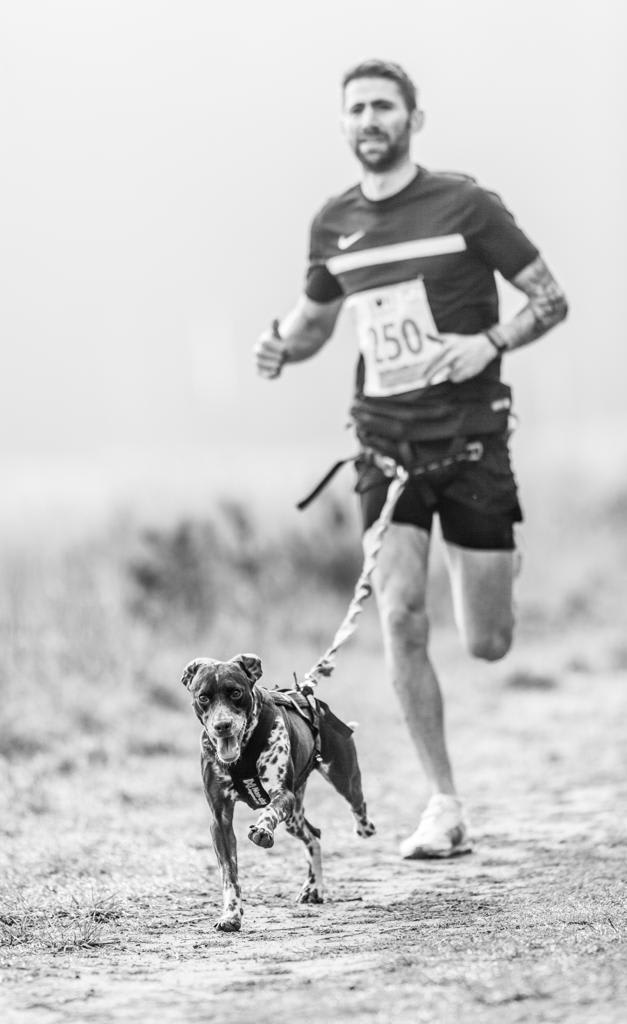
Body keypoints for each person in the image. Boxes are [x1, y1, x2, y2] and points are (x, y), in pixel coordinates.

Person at [253, 59, 568, 858]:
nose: (369, 119)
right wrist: (279, 344)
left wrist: (488, 342)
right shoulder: (333, 224)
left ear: (412, 120)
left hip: (470, 442)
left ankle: (493, 564)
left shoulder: (465, 205)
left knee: (487, 640)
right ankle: (443, 803)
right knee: (398, 613)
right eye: (356, 108)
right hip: (384, 447)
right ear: (343, 123)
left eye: (383, 106)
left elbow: (549, 300)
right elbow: (314, 324)